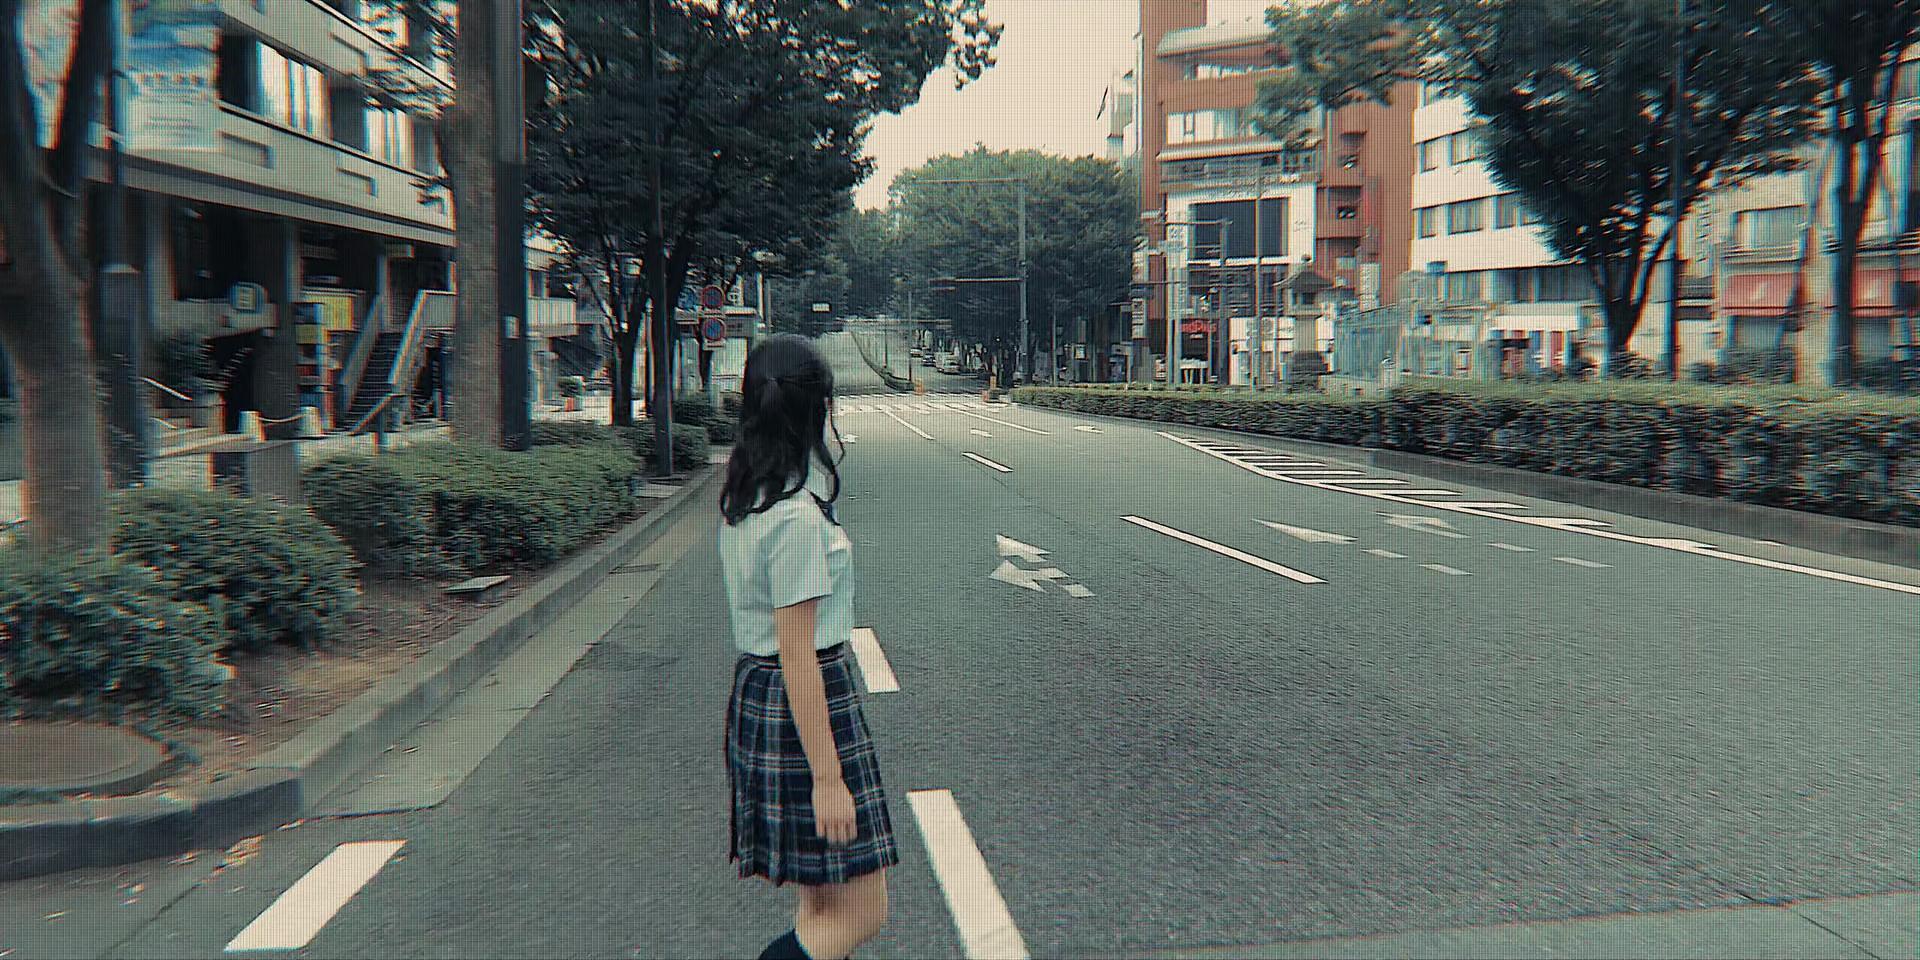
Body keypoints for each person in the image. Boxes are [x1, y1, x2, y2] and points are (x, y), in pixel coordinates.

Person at [718, 334, 897, 960]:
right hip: (805, 703)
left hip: (765, 698)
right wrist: (828, 778)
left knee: (821, 903)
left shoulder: (752, 494)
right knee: (866, 909)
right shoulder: (793, 518)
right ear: (813, 410)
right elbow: (797, 653)